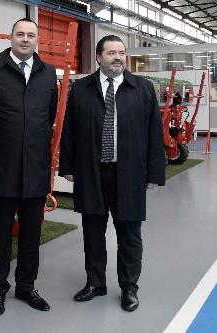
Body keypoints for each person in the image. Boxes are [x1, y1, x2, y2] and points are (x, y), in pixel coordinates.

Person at [59, 35, 165, 312]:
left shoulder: (142, 88)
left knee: (129, 234)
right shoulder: (81, 89)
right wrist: (67, 167)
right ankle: (95, 283)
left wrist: (155, 172)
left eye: (121, 52)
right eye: (111, 53)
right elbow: (69, 130)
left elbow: (155, 133)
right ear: (98, 57)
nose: (118, 57)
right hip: (91, 173)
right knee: (92, 232)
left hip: (129, 174)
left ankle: (129, 287)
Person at [0, 18, 57, 316]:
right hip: (1, 167)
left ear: (37, 40)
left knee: (31, 234)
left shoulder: (48, 74)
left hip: (35, 167)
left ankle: (26, 287)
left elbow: (48, 116)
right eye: (20, 34)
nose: (25, 39)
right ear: (10, 37)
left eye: (31, 35)